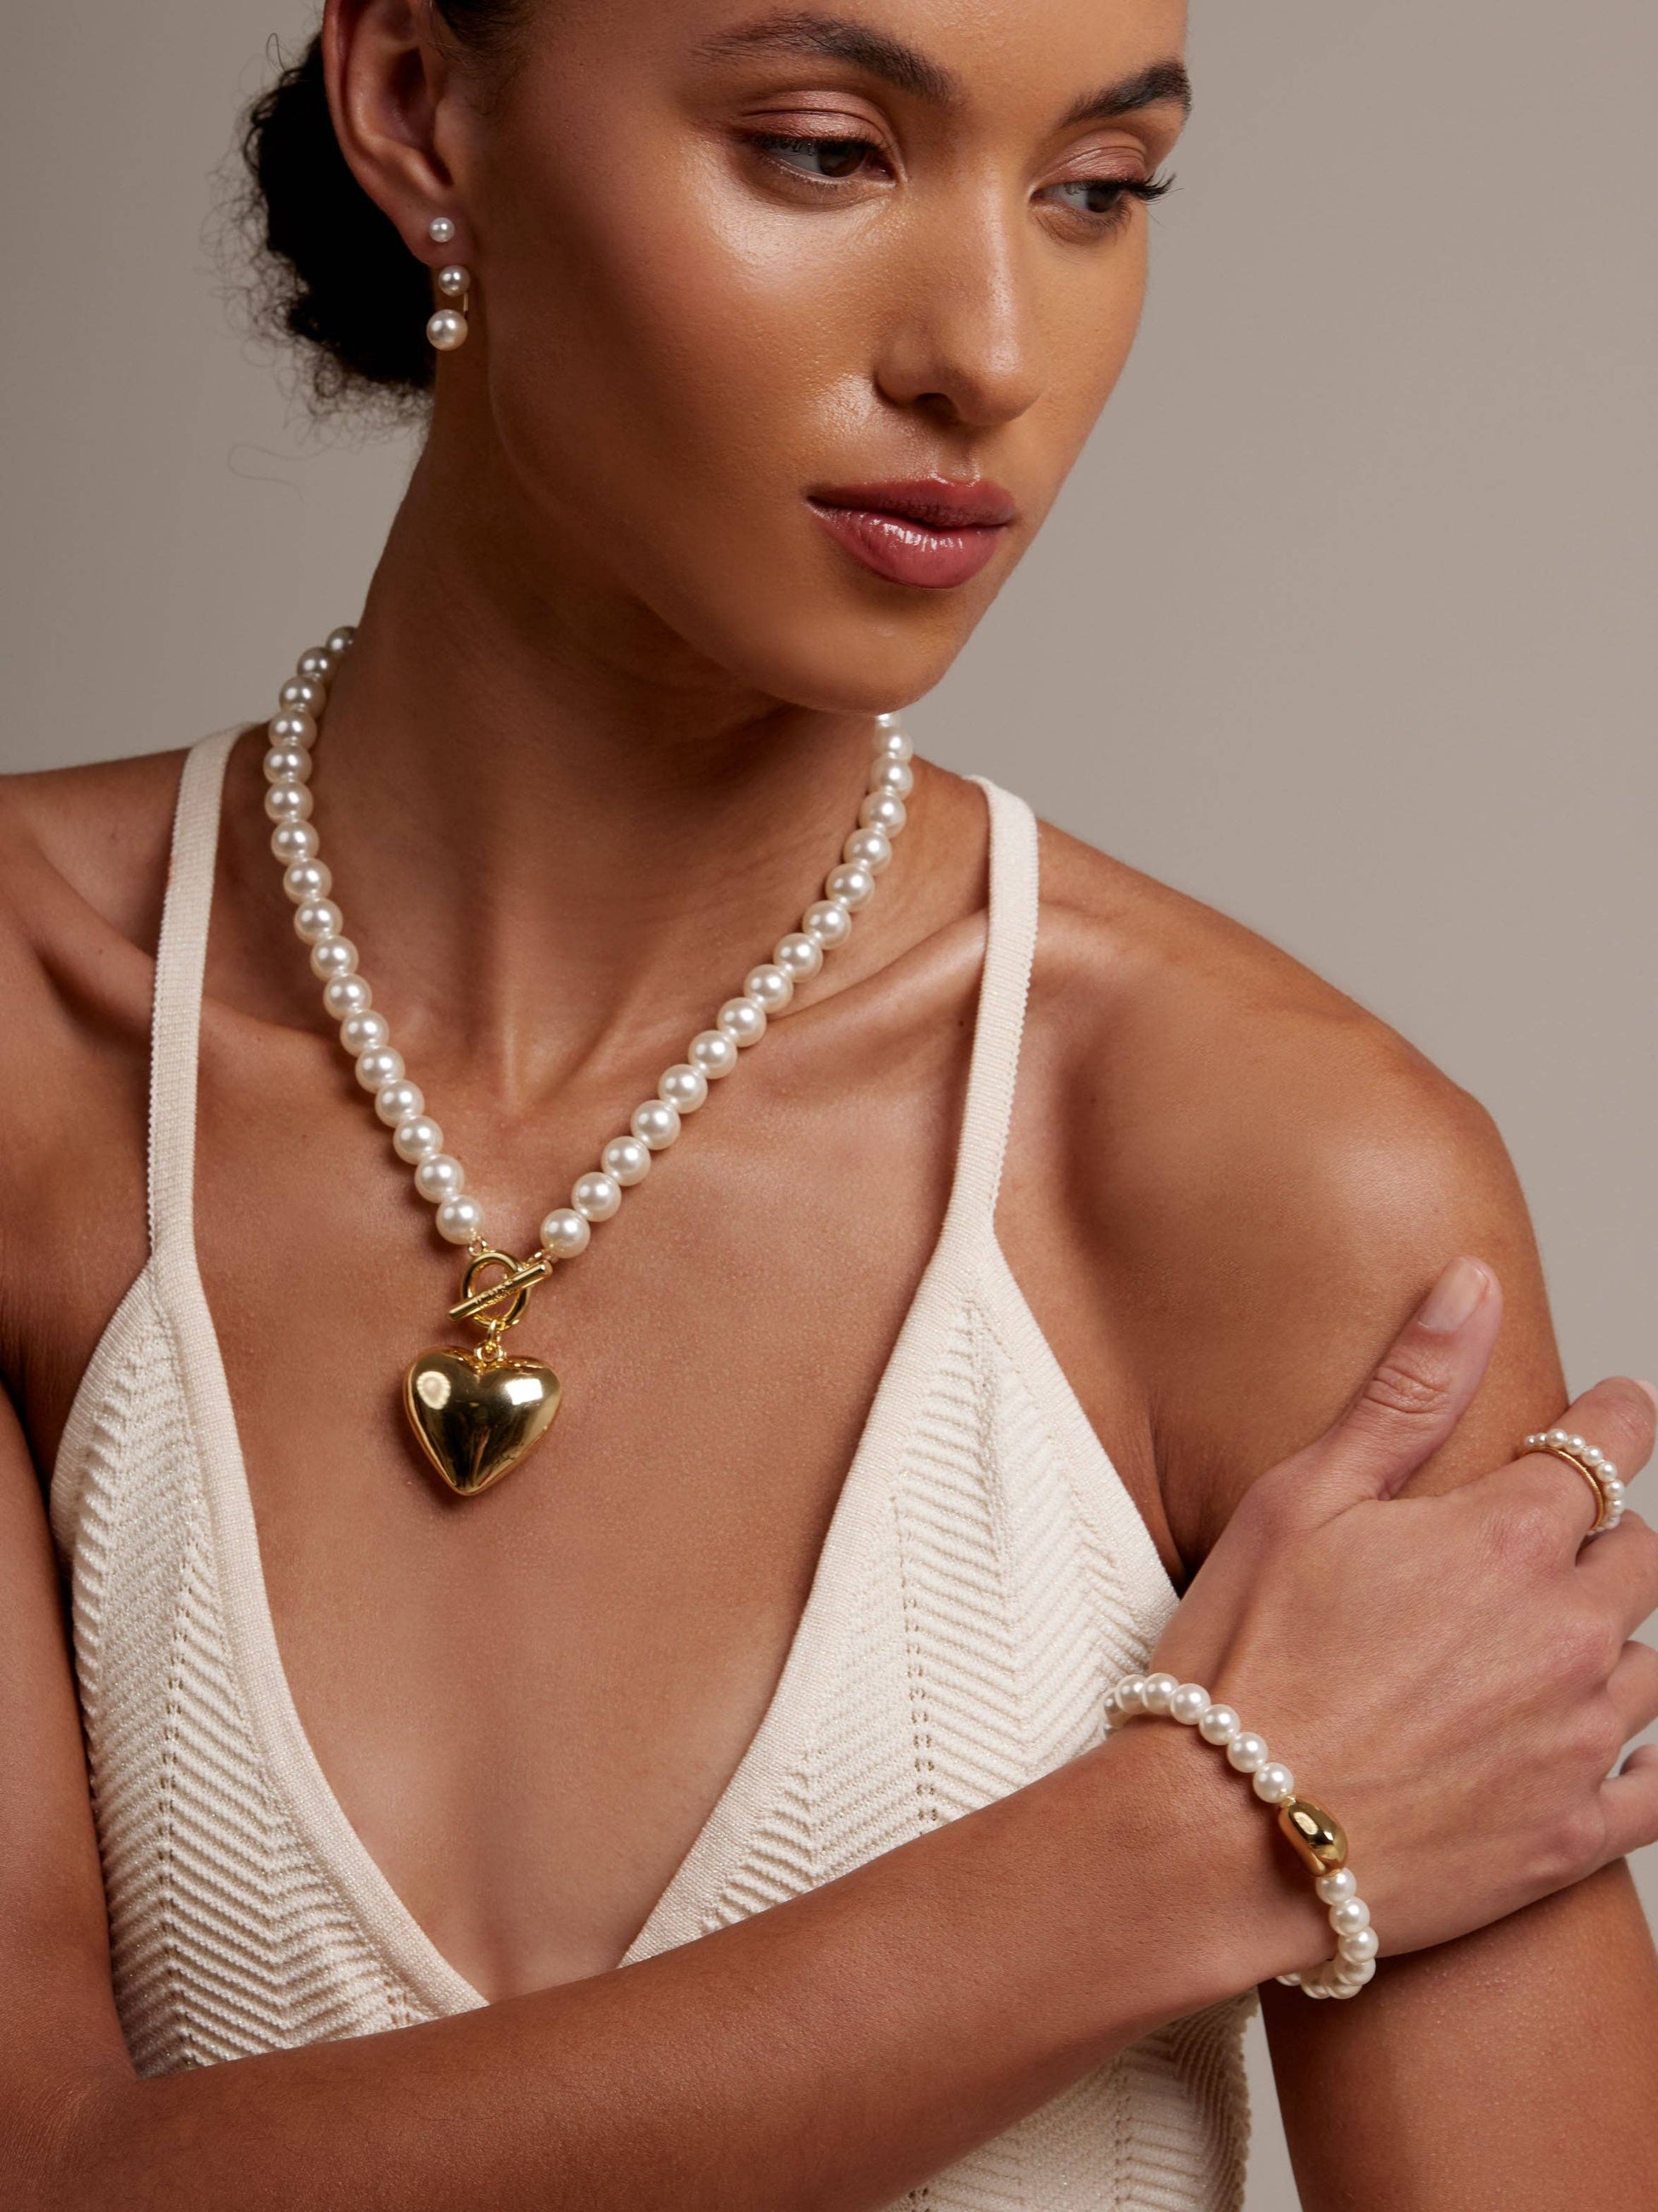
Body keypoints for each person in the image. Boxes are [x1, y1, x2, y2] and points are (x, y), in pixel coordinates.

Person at [3, 2, 1655, 2205]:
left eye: (1093, 191)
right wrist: (1200, 1837)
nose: (988, 348)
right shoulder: (33, 1036)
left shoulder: (1262, 1175)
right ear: (414, 102)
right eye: (820, 151)